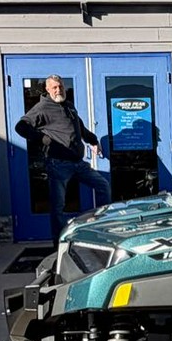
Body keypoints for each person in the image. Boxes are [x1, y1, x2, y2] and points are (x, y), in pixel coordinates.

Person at [15, 74, 110, 247]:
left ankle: (101, 228)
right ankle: (59, 244)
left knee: (103, 186)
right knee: (58, 206)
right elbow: (21, 127)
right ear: (47, 89)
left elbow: (80, 128)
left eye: (60, 87)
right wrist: (43, 139)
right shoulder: (42, 108)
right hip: (58, 164)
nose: (58, 90)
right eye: (54, 87)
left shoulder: (69, 106)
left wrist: (93, 140)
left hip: (78, 164)